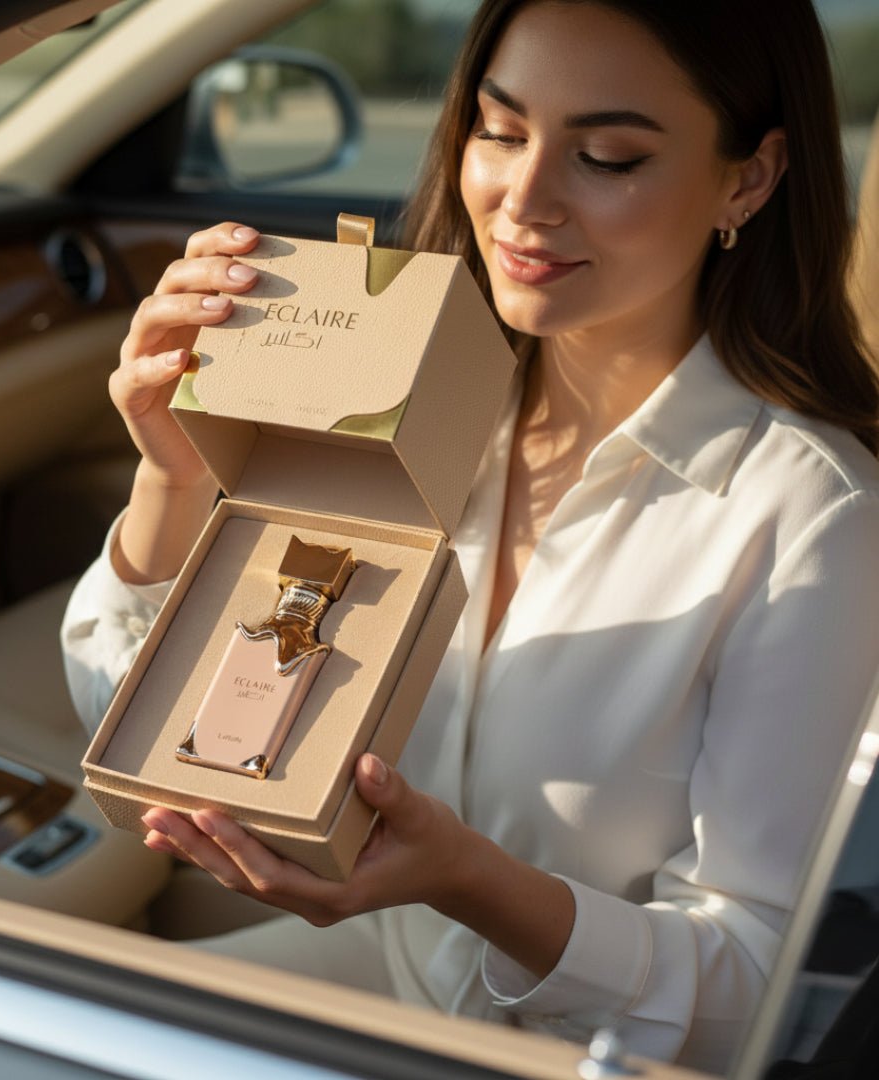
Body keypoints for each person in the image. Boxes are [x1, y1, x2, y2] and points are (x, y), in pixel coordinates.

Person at [61, 0, 879, 1070]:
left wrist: (470, 881)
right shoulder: (413, 401)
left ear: (749, 179)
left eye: (606, 155)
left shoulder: (813, 515)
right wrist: (172, 476)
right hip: (381, 980)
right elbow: (134, 730)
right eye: (499, 132)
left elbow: (755, 989)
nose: (523, 199)